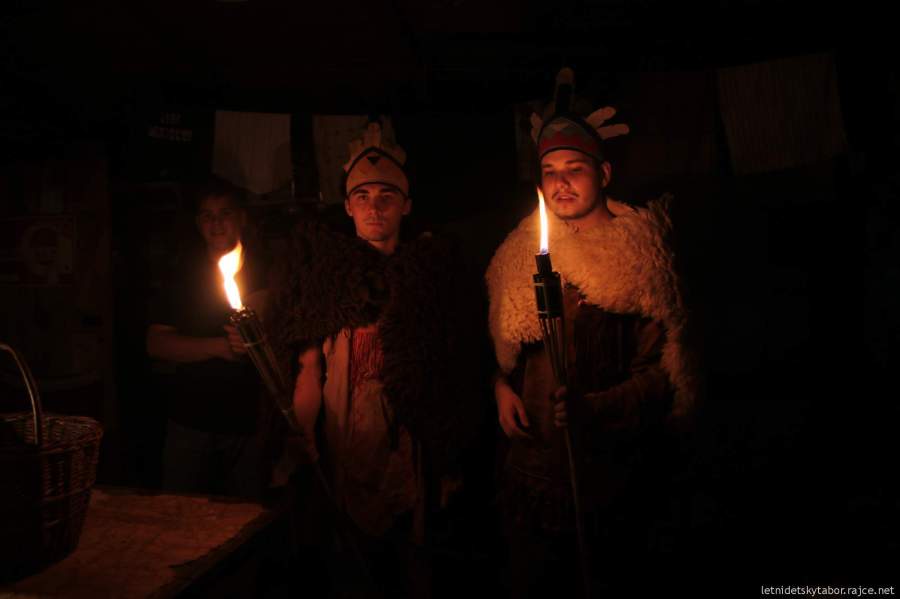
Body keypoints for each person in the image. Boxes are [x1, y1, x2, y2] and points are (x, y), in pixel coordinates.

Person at [485, 69, 701, 597]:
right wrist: (500, 388)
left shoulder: (640, 257)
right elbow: (502, 355)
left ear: (603, 173)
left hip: (611, 478)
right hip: (534, 475)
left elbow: (662, 377)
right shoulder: (518, 254)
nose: (560, 183)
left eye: (574, 169)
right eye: (550, 171)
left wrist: (594, 410)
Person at [267, 117, 482, 598]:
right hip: (348, 442)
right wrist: (301, 434)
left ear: (406, 204)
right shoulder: (328, 281)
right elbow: (309, 367)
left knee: (415, 563)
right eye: (362, 197)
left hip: (412, 444)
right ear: (347, 206)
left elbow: (454, 368)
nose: (374, 207)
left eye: (386, 196)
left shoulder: (431, 277)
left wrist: (449, 451)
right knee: (353, 563)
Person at [146, 177, 268, 499]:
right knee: (181, 511)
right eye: (207, 216)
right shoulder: (181, 275)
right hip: (190, 419)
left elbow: (265, 313)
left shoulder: (263, 269)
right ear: (199, 223)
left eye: (225, 213)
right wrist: (220, 347)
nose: (216, 223)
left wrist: (253, 334)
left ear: (241, 217)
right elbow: (156, 344)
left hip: (246, 422)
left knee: (245, 513)